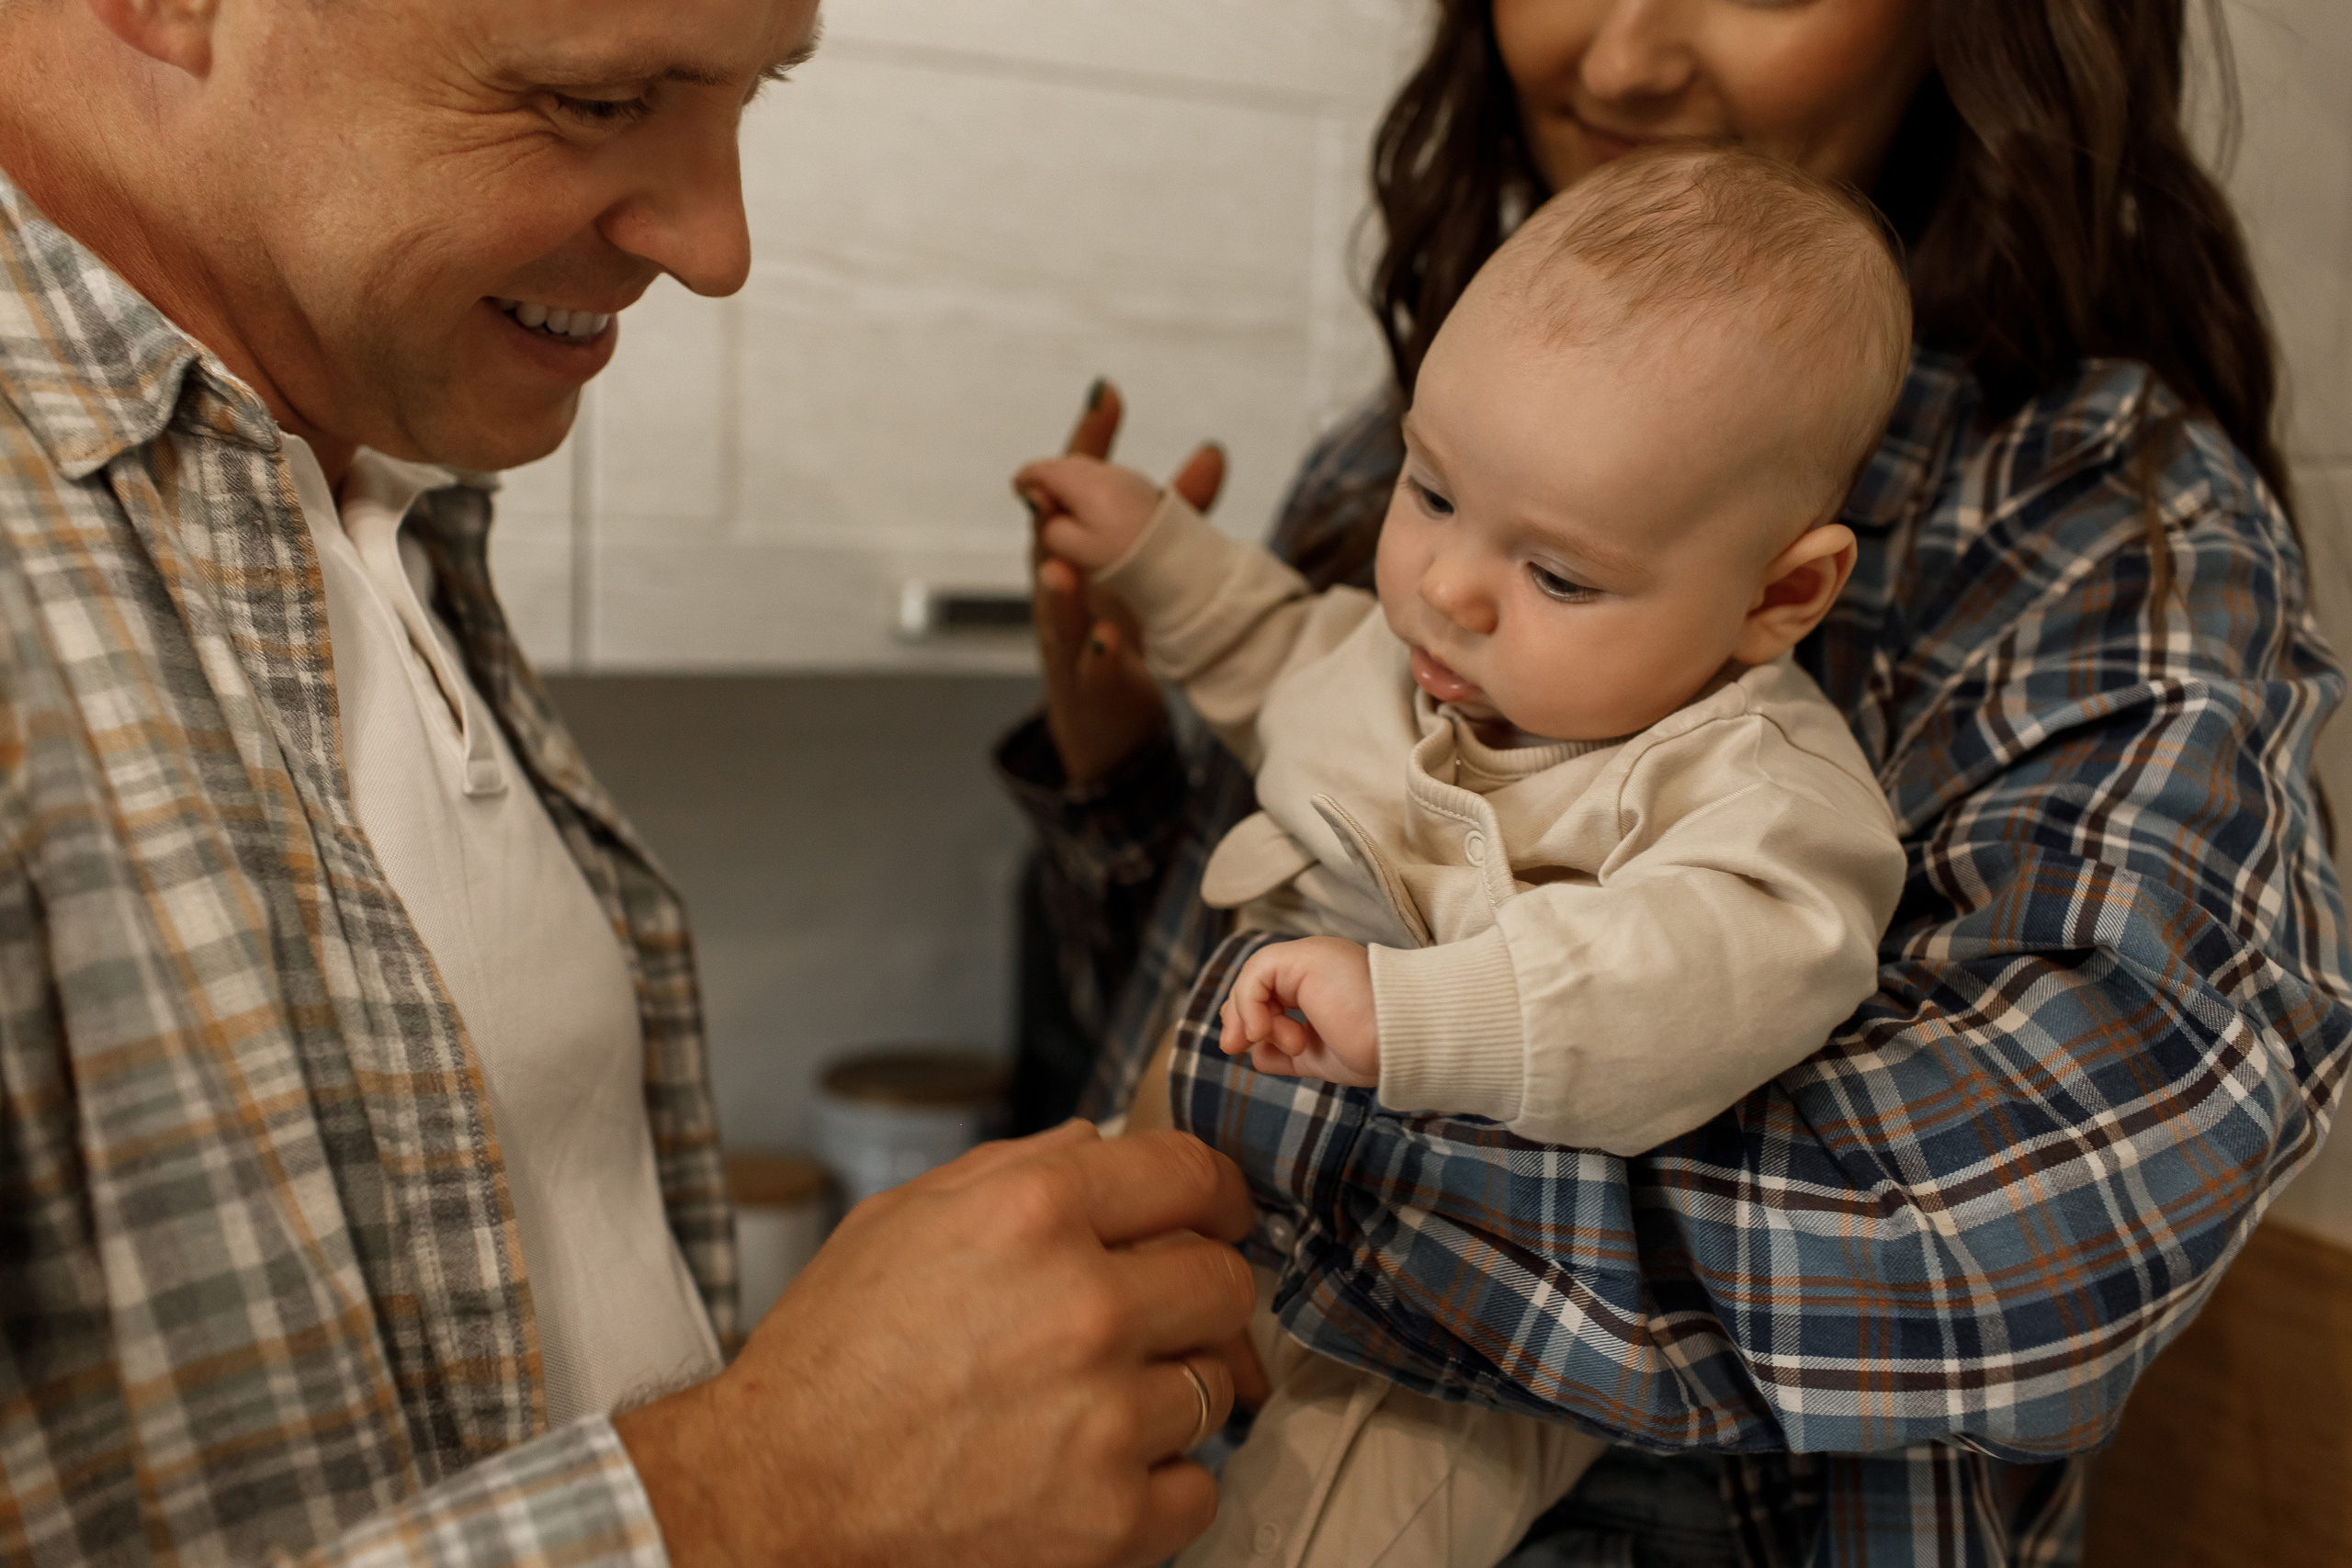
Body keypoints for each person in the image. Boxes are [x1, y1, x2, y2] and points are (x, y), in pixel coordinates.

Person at [996, 0, 2352, 1561]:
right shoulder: (1414, 472)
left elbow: (2009, 1247)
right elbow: (1288, 675)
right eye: (1438, 496)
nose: (1624, 58)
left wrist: (1316, 1070)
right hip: (1184, 1350)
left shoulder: (2090, 544)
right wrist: (1127, 734)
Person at [0, 1, 1265, 1565]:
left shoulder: (358, 475)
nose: (719, 246)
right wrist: (767, 1494)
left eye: (754, 92)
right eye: (596, 101)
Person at [1015, 146, 1916, 1567]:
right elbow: (1279, 653)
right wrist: (1159, 557)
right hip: (1214, 1151)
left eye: (1558, 575)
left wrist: (1424, 1012)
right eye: (1430, 492)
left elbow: (1710, 971)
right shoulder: (1417, 650)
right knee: (1043, 1405)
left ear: (1779, 593)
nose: (1445, 587)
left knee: (1318, 1532)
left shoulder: (1751, 796)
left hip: (1468, 1321)